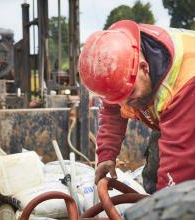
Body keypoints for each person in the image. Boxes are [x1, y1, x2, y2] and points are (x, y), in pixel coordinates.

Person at [78, 20, 195, 193]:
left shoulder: (184, 79)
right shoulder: (123, 59)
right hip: (173, 117)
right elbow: (112, 108)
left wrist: (163, 208)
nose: (125, 105)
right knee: (154, 179)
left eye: (130, 95)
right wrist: (106, 154)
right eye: (119, 98)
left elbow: (178, 161)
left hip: (189, 104)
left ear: (144, 68)